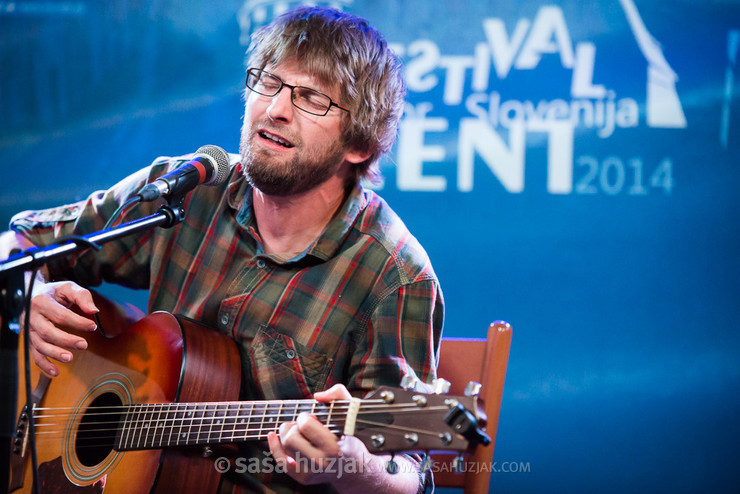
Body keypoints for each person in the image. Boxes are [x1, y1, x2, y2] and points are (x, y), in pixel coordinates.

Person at [0, 6, 443, 494]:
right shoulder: (185, 190)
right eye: (268, 83)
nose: (275, 108)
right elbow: (17, 244)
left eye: (311, 98)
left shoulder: (395, 274)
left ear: (359, 143)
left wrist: (350, 465)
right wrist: (28, 296)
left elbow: (411, 473)